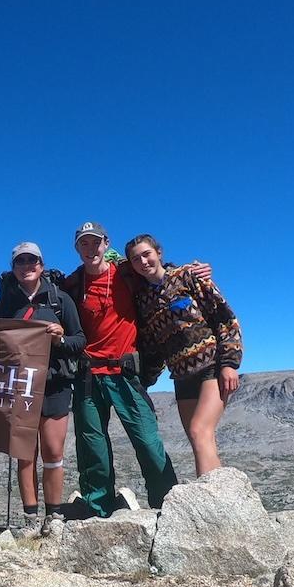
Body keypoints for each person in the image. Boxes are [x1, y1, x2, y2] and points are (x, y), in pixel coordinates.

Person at [61, 221, 187, 518]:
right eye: (84, 244)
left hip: (125, 373)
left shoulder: (127, 274)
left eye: (95, 242)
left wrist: (191, 270)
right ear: (77, 249)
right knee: (92, 444)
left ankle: (167, 505)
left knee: (146, 440)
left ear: (106, 244)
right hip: (89, 375)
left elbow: (159, 273)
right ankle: (96, 509)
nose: (90, 249)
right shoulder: (72, 284)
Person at [124, 233, 243, 477]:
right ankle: (220, 497)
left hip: (211, 366)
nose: (143, 262)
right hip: (180, 375)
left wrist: (229, 364)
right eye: (136, 259)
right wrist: (144, 380)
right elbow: (153, 346)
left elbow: (224, 318)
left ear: (159, 253)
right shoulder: (143, 299)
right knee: (199, 438)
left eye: (146, 254)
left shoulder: (187, 276)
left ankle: (210, 500)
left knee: (200, 431)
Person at [0, 241, 85, 532]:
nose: (27, 266)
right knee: (24, 452)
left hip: (56, 384)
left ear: (41, 265)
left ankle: (53, 514)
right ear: (14, 268)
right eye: (20, 262)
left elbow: (80, 341)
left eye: (32, 261)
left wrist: (61, 339)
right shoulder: (6, 303)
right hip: (20, 387)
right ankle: (30, 517)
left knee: (53, 453)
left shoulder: (60, 300)